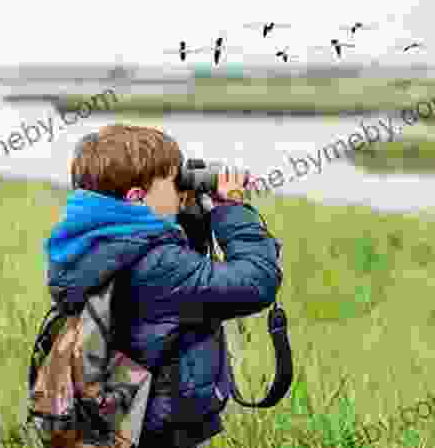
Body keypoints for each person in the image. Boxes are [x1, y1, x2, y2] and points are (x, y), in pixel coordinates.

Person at [44, 124, 284, 448]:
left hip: (126, 418)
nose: (180, 190)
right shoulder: (159, 264)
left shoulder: (91, 244)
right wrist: (232, 210)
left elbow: (163, 250)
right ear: (137, 197)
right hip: (165, 426)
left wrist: (186, 213)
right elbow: (257, 280)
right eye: (173, 183)